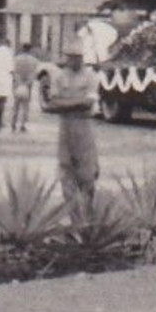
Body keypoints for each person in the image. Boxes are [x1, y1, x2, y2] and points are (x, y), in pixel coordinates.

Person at [43, 46, 100, 204]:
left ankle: (89, 217)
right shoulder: (60, 76)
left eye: (77, 56)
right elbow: (51, 104)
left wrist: (65, 104)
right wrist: (76, 103)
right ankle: (73, 217)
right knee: (65, 169)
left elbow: (88, 103)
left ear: (82, 58)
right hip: (65, 127)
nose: (73, 60)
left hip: (84, 126)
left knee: (87, 173)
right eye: (70, 56)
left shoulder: (90, 76)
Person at [11, 42, 40, 132]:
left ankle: (13, 123)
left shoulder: (16, 59)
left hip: (17, 83)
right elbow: (35, 73)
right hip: (28, 84)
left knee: (16, 105)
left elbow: (13, 71)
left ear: (22, 48)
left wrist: (17, 80)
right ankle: (22, 124)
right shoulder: (34, 60)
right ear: (30, 49)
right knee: (25, 106)